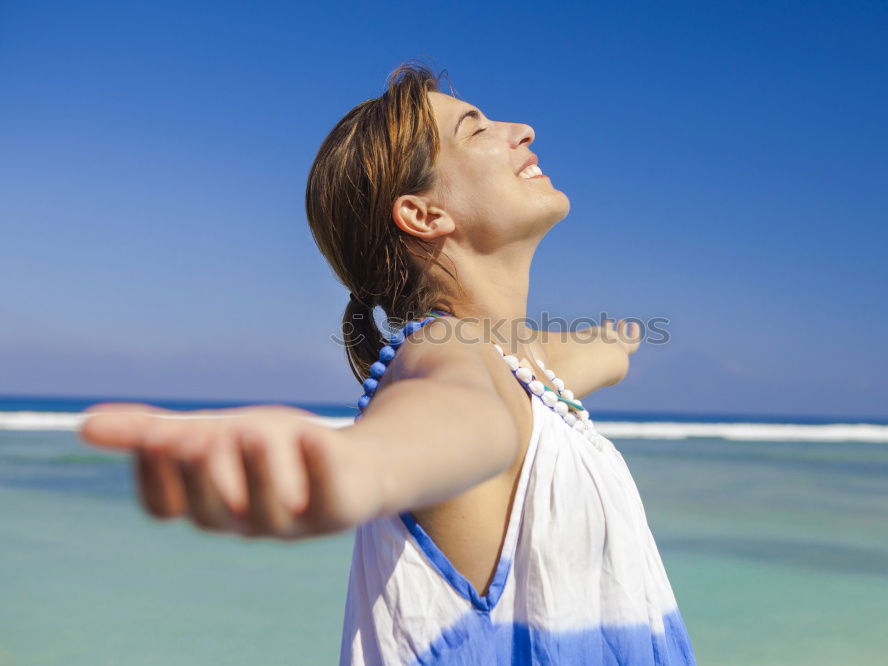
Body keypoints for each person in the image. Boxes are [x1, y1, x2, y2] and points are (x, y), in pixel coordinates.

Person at [79, 60, 697, 665]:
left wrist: (618, 343)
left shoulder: (524, 367)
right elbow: (450, 425)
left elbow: (578, 359)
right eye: (477, 130)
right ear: (425, 215)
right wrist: (348, 468)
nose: (523, 129)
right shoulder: (445, 351)